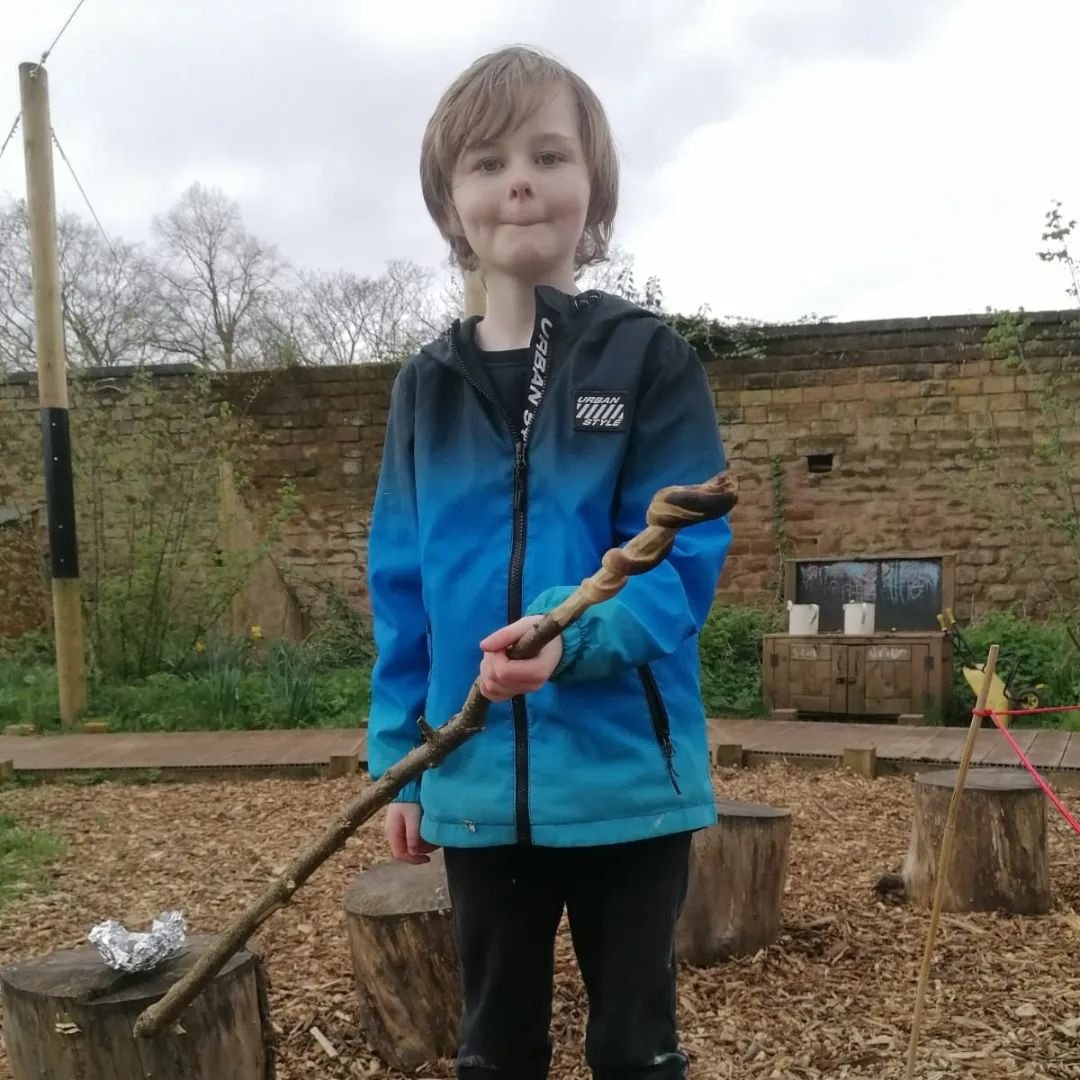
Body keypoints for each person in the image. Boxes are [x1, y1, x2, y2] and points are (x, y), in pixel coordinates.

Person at [365, 44, 732, 1080]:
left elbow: (681, 555)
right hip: (473, 782)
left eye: (548, 153)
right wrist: (402, 760)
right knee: (494, 1046)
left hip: (628, 782)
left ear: (593, 190)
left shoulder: (648, 359)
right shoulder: (423, 390)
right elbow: (401, 587)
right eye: (484, 162)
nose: (517, 179)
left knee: (634, 1046)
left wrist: (567, 645)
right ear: (450, 206)